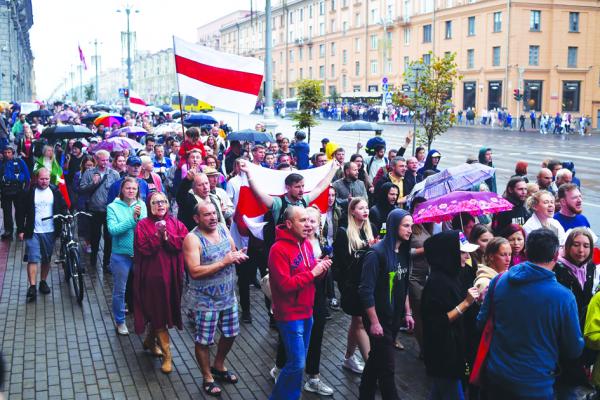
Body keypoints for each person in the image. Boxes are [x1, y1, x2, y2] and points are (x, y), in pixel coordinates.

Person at [477, 229, 584, 398]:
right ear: (556, 256)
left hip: (496, 377)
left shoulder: (499, 281)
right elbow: (573, 348)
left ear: (526, 252)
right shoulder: (564, 297)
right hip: (536, 384)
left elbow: (481, 322)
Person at [182, 200, 247, 397]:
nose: (213, 217)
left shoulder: (222, 228)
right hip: (205, 301)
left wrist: (237, 255)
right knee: (204, 340)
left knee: (231, 333)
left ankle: (218, 365)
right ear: (196, 218)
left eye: (214, 213)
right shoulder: (192, 239)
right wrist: (225, 261)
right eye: (207, 214)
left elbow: (232, 251)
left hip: (228, 296)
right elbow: (194, 271)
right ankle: (207, 376)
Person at [268, 206, 332, 400]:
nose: (307, 225)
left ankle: (292, 396)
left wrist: (321, 268)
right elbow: (284, 285)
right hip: (289, 315)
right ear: (289, 224)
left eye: (309, 220)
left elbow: (311, 274)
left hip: (307, 312)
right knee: (296, 364)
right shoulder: (278, 249)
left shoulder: (305, 245)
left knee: (298, 364)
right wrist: (313, 273)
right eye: (302, 221)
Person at [359, 209, 413, 400]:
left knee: (376, 360)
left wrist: (408, 312)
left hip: (394, 317)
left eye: (411, 226)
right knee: (387, 369)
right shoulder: (376, 254)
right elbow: (366, 291)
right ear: (394, 226)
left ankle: (364, 394)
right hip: (379, 318)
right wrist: (374, 322)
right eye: (406, 225)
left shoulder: (404, 252)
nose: (410, 230)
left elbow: (403, 284)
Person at [133, 192, 188, 374]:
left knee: (163, 311)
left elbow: (183, 242)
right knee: (157, 312)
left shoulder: (176, 223)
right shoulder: (142, 225)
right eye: (155, 202)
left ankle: (150, 341)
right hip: (152, 278)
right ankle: (167, 355)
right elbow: (142, 248)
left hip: (172, 278)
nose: (160, 205)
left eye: (163, 201)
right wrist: (157, 236)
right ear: (149, 205)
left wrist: (167, 238)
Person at [421, 230, 480, 399]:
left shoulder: (454, 275)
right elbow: (437, 322)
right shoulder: (437, 283)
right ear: (450, 254)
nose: (467, 256)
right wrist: (466, 303)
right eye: (462, 252)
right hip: (444, 355)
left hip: (454, 352)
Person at [333, 198, 375, 374]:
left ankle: (349, 358)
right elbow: (342, 263)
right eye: (361, 208)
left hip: (367, 284)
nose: (365, 211)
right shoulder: (344, 232)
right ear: (352, 211)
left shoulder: (369, 229)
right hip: (351, 286)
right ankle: (373, 368)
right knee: (359, 323)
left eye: (366, 207)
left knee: (356, 322)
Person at [553, 228, 597, 397]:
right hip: (566, 330)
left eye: (586, 246)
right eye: (576, 245)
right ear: (568, 246)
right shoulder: (559, 269)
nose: (581, 250)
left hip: (584, 327)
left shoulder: (592, 268)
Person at [18, 168, 68, 302]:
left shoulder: (55, 191)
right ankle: (32, 286)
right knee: (33, 258)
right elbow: (21, 211)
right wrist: (21, 230)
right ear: (36, 179)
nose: (44, 181)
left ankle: (43, 282)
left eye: (46, 179)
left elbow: (63, 206)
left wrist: (66, 214)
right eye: (41, 179)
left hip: (50, 230)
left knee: (46, 258)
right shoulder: (29, 191)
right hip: (33, 230)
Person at [107, 177, 147, 335]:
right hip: (120, 255)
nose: (131, 191)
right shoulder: (113, 207)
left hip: (139, 253)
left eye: (134, 189)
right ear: (122, 190)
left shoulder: (141, 205)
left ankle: (142, 317)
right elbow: (113, 230)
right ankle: (120, 321)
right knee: (120, 290)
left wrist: (139, 220)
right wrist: (132, 220)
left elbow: (144, 228)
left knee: (141, 288)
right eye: (128, 188)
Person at [78, 150, 120, 271]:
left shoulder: (114, 173)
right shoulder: (89, 172)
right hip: (94, 210)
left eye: (107, 160)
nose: (105, 162)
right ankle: (93, 259)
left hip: (110, 211)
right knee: (95, 236)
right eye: (103, 160)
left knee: (109, 237)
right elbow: (82, 189)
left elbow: (118, 191)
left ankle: (107, 262)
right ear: (96, 159)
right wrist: (93, 183)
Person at [0, 146, 30, 240]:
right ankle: (8, 230)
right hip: (5, 191)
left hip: (18, 190)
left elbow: (27, 176)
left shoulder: (20, 162)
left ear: (13, 153)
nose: (7, 154)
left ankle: (20, 229)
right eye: (5, 153)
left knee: (20, 211)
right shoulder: (1, 163)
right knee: (7, 212)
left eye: (9, 152)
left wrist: (26, 189)